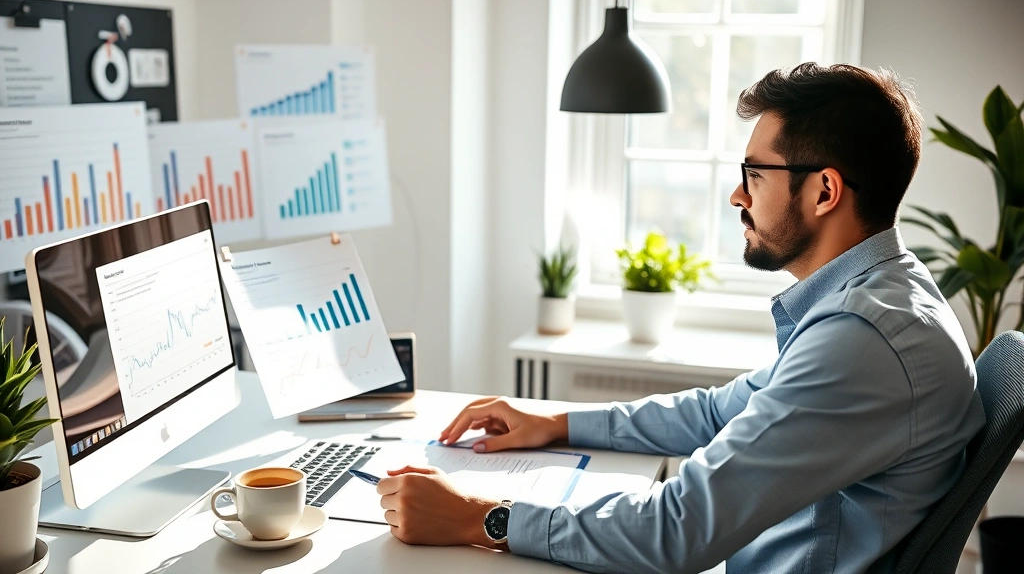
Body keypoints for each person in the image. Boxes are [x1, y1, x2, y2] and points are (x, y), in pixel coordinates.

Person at [375, 62, 987, 573]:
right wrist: (556, 421)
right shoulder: (878, 297)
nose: (738, 196)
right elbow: (725, 410)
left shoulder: (864, 337)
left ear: (824, 191)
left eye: (755, 173)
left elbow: (677, 532)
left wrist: (478, 517)